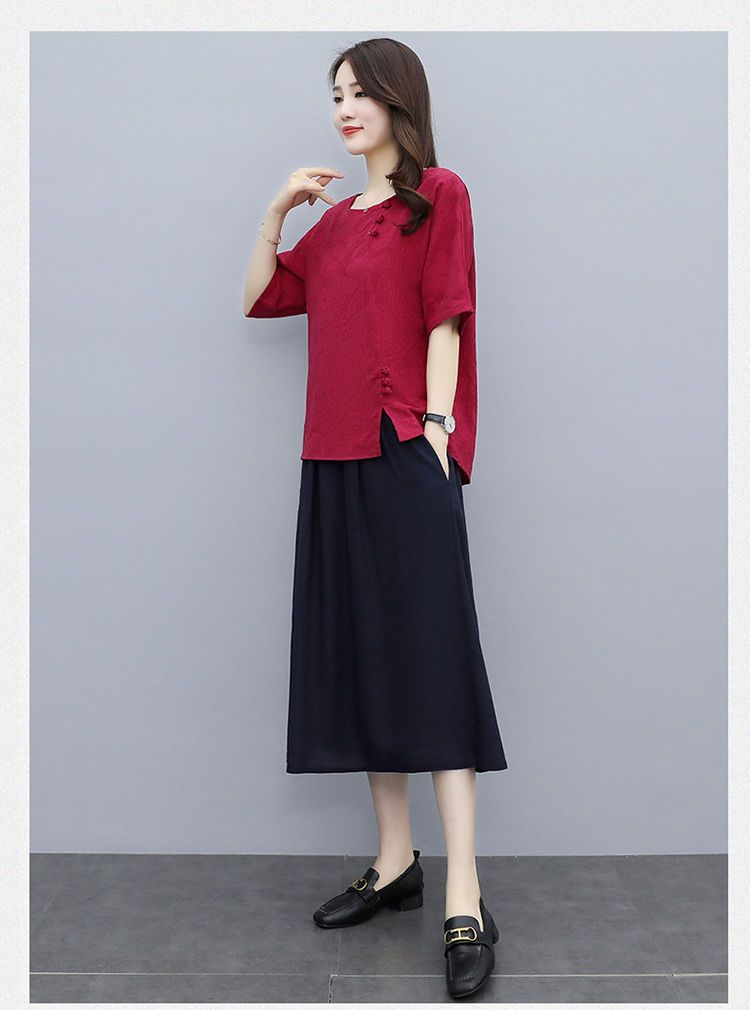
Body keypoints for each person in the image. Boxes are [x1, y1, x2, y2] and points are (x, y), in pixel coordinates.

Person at [242, 37, 508, 999]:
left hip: (403, 444)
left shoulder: (439, 195)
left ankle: (464, 893)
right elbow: (261, 297)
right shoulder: (335, 226)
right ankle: (396, 861)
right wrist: (277, 212)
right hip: (331, 455)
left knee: (430, 658)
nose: (345, 108)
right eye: (336, 94)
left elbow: (448, 314)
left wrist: (436, 428)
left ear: (400, 101)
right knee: (365, 653)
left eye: (361, 92)